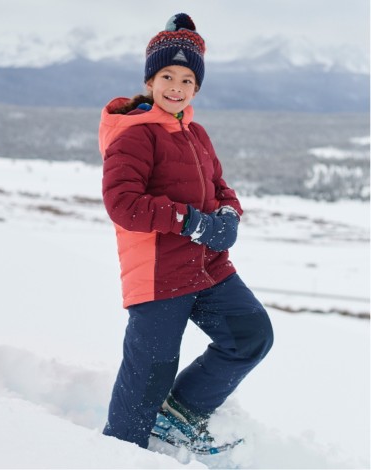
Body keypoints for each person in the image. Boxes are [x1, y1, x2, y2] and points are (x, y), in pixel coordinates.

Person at [99, 13, 273, 449]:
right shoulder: (135, 136)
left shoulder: (195, 133)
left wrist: (230, 214)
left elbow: (219, 186)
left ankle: (177, 421)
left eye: (187, 80)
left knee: (251, 336)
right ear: (150, 79)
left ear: (196, 87)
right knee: (149, 374)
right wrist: (194, 223)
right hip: (159, 275)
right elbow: (123, 204)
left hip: (209, 269)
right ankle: (118, 452)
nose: (177, 87)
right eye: (167, 76)